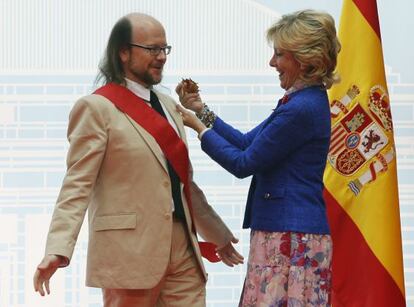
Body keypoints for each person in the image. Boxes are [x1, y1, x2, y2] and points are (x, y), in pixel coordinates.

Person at [33, 12, 243, 307]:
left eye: (164, 49)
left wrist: (217, 234)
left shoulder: (170, 106)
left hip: (183, 248)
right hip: (129, 253)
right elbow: (76, 186)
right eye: (152, 49)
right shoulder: (96, 108)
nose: (161, 57)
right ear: (123, 52)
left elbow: (181, 182)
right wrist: (57, 248)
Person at [176, 9, 340, 306]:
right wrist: (202, 111)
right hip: (286, 233)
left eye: (279, 54)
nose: (272, 63)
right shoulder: (301, 100)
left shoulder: (300, 108)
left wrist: (198, 129)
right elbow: (247, 142)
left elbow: (243, 163)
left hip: (290, 237)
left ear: (304, 60)